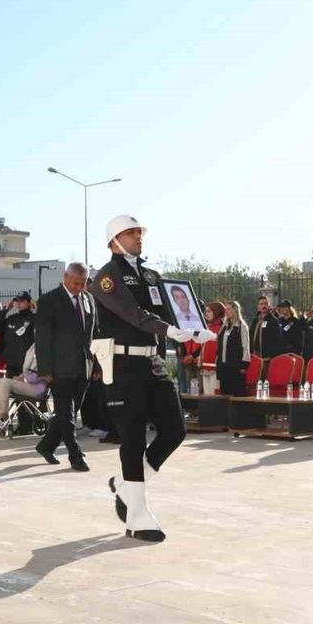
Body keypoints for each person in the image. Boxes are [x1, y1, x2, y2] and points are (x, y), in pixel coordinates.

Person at [95, 215, 215, 542]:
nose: (138, 237)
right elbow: (133, 314)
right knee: (133, 438)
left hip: (153, 362)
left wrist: (193, 325)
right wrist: (170, 329)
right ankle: (136, 515)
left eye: (139, 232)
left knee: (175, 429)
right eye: (131, 232)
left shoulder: (151, 275)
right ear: (114, 240)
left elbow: (171, 312)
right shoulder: (106, 278)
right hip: (123, 364)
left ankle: (125, 486)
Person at [33, 262, 98, 470]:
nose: (80, 287)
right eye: (76, 283)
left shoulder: (89, 299)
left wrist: (96, 364)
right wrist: (45, 370)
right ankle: (75, 455)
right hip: (59, 368)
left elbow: (94, 333)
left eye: (83, 283)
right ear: (65, 277)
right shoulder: (49, 301)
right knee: (67, 416)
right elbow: (42, 338)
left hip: (84, 366)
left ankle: (46, 445)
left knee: (68, 413)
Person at [0, 345, 48, 430]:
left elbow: (44, 375)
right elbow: (28, 371)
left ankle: (2, 417)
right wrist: (20, 377)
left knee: (5, 383)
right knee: (1, 381)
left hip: (37, 388)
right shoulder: (33, 347)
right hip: (30, 384)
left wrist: (24, 378)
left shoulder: (46, 350)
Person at [217, 300, 251, 396]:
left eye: (229, 309)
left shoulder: (242, 327)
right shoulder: (224, 326)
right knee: (224, 396)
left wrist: (244, 365)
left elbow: (246, 346)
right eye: (225, 309)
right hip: (224, 366)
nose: (226, 312)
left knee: (236, 394)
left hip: (236, 367)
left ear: (235, 310)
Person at [2, 291, 36, 378]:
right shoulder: (12, 318)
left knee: (22, 390)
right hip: (11, 362)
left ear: (28, 302)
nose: (19, 303)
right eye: (17, 301)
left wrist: (36, 307)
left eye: (22, 301)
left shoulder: (34, 318)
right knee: (9, 389)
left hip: (26, 363)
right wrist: (5, 310)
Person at [250, 296, 283, 361]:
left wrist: (271, 356)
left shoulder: (274, 321)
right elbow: (250, 335)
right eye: (261, 304)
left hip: (268, 357)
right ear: (258, 306)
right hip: (255, 356)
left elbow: (277, 340)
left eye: (266, 304)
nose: (264, 306)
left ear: (269, 306)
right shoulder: (255, 321)